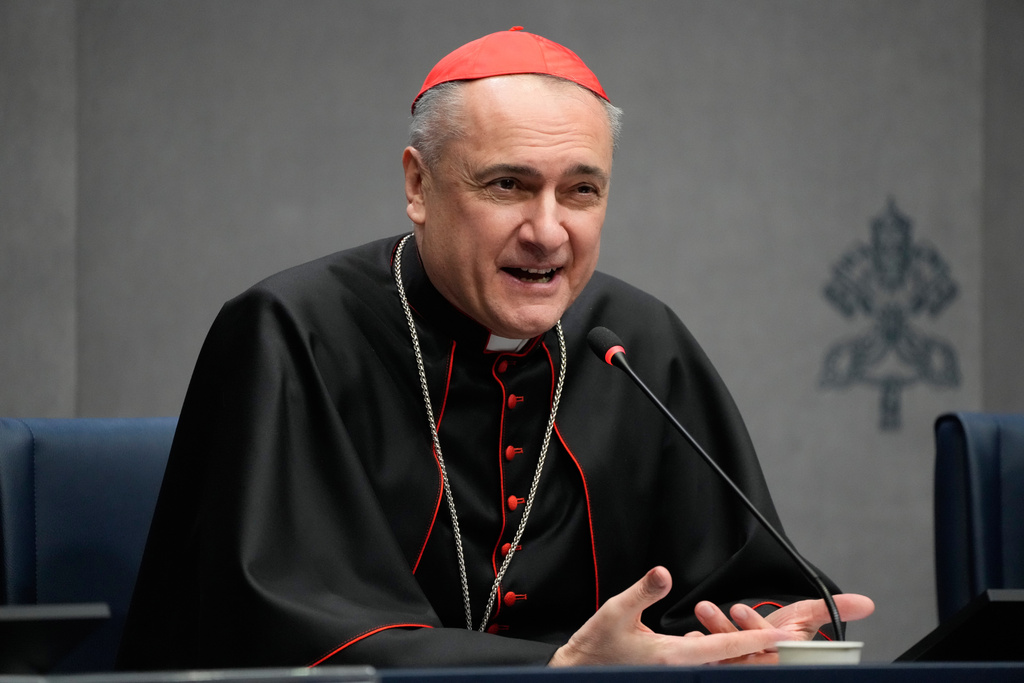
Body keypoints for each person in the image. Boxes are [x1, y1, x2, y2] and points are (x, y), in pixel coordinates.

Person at [117, 27, 872, 671]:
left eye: (581, 191)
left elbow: (738, 577)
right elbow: (267, 629)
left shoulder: (636, 343)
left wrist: (759, 627)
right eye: (508, 185)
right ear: (419, 186)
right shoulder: (290, 332)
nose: (548, 231)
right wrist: (557, 669)